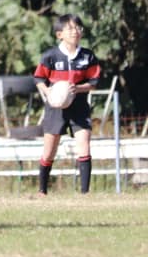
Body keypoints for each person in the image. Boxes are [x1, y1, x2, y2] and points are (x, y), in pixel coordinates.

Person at [33, 14, 101, 196]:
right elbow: (39, 79)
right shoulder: (50, 56)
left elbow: (93, 82)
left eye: (78, 28)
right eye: (70, 28)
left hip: (79, 105)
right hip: (55, 107)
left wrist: (77, 89)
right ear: (59, 34)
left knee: (84, 144)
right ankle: (42, 191)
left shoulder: (87, 56)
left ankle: (85, 193)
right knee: (49, 151)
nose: (75, 32)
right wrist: (49, 92)